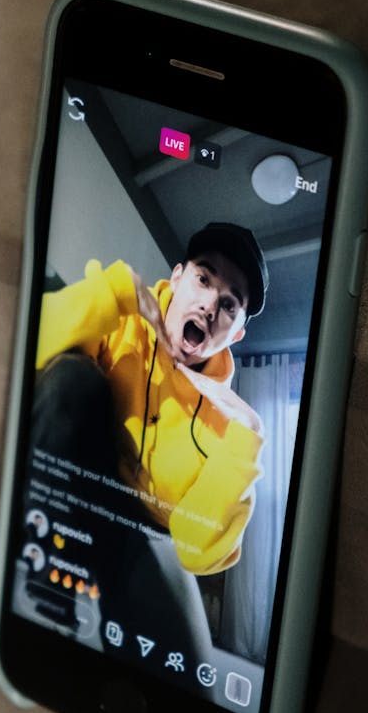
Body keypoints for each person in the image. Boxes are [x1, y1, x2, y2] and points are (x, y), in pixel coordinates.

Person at [25, 222, 269, 676]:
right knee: (73, 377)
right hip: (81, 480)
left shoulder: (227, 425)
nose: (210, 303)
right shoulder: (120, 317)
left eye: (230, 303)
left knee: (185, 680)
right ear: (176, 278)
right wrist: (113, 294)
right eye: (203, 278)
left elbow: (196, 551)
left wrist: (245, 440)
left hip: (148, 531)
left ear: (234, 333)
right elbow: (29, 350)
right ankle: (46, 585)